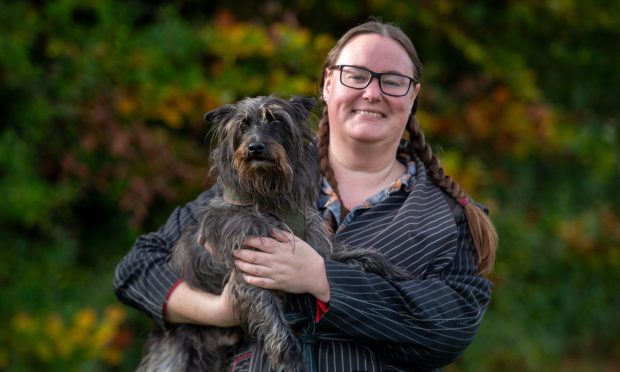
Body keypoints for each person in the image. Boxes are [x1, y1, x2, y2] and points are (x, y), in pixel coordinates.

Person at [114, 19, 497, 371]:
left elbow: (449, 329)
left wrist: (321, 278)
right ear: (328, 85)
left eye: (392, 80)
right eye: (356, 75)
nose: (371, 92)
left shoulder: (444, 217)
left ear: (412, 95)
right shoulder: (255, 184)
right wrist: (219, 310)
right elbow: (136, 269)